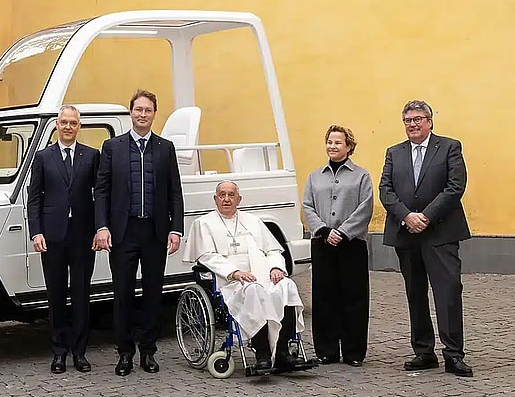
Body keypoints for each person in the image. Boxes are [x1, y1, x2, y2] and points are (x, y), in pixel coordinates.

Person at [93, 89, 184, 376]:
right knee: (122, 294)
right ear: (130, 113)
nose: (142, 114)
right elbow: (102, 191)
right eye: (138, 109)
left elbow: (175, 193)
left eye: (148, 110)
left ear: (154, 114)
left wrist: (176, 229)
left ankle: (148, 351)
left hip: (155, 232)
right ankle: (124, 353)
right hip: (123, 232)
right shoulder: (112, 147)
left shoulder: (165, 148)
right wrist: (102, 225)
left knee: (153, 294)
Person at [379, 100, 473, 377]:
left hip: (441, 233)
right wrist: (407, 216)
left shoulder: (449, 147)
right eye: (408, 120)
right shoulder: (394, 153)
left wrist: (426, 216)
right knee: (415, 294)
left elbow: (455, 186)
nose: (413, 124)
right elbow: (386, 189)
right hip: (406, 233)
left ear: (430, 122)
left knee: (448, 293)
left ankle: (453, 354)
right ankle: (423, 351)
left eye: (418, 119)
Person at [183, 181, 306, 369]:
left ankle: (282, 351)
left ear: (239, 199)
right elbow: (206, 256)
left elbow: (273, 250)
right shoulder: (204, 223)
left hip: (261, 275)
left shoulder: (253, 221)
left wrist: (275, 268)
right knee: (253, 291)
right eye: (222, 195)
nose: (226, 199)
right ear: (215, 199)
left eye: (231, 195)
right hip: (229, 281)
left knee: (286, 286)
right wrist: (234, 272)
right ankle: (262, 352)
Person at [27, 105, 100, 374]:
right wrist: (36, 231)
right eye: (64, 122)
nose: (68, 127)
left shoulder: (92, 156)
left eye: (73, 123)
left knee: (81, 295)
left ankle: (79, 352)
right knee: (56, 295)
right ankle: (59, 353)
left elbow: (100, 195)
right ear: (56, 125)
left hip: (82, 235)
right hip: (52, 236)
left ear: (79, 126)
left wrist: (100, 228)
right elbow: (34, 197)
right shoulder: (43, 157)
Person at [302, 125, 373, 367]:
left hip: (351, 244)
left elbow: (365, 208)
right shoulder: (314, 176)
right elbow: (307, 206)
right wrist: (322, 230)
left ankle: (353, 352)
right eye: (329, 142)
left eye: (338, 142)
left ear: (349, 146)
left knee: (354, 298)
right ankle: (326, 350)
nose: (333, 146)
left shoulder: (361, 176)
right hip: (322, 243)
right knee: (324, 297)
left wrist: (343, 232)